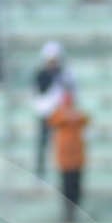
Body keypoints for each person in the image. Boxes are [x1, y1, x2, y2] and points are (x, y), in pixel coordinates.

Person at [30, 40, 74, 178]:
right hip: (46, 114)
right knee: (43, 143)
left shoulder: (65, 75)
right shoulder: (41, 75)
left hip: (61, 114)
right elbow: (38, 96)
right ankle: (40, 171)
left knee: (63, 145)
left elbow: (70, 94)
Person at [47, 89, 89, 222]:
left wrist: (72, 116)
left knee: (76, 184)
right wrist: (68, 115)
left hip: (77, 157)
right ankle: (67, 210)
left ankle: (75, 208)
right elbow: (54, 121)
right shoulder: (59, 114)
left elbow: (85, 119)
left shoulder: (77, 113)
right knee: (66, 185)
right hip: (65, 158)